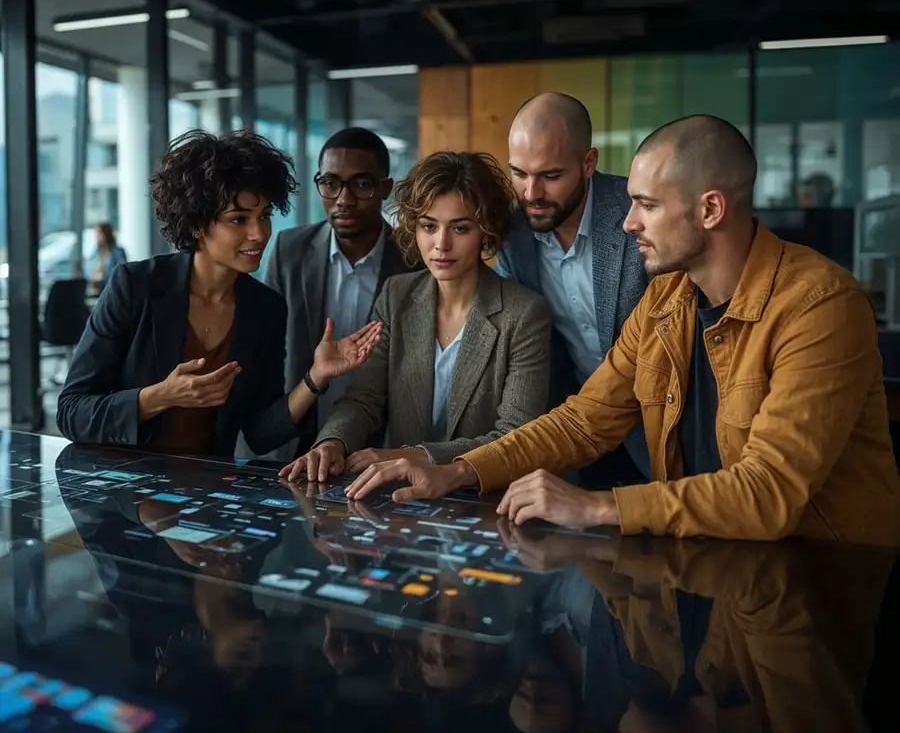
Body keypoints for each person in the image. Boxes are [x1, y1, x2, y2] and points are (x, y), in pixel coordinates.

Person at [346, 115, 900, 547]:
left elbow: (769, 493)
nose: (628, 221)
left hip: (822, 583)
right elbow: (585, 419)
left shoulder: (820, 305)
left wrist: (600, 506)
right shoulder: (667, 297)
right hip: (709, 562)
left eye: (646, 205)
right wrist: (457, 471)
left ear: (709, 209)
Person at [57, 129, 382, 458]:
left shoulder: (265, 307)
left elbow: (260, 433)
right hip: (121, 485)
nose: (259, 234)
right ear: (198, 224)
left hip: (205, 492)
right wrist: (161, 396)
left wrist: (316, 377)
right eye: (238, 219)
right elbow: (72, 411)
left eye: (265, 216)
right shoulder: (135, 285)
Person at [279, 151, 552, 482]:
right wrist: (333, 442)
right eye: (428, 226)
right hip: (399, 502)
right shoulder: (398, 295)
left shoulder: (524, 313)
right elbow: (364, 399)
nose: (441, 244)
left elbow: (515, 437)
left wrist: (415, 456)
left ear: (486, 232)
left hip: (484, 499)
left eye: (461, 228)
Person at [498, 92, 649, 485]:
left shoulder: (639, 213)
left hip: (664, 422)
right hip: (581, 431)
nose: (531, 193)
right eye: (519, 173)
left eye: (550, 176)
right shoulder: (511, 234)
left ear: (588, 163)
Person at [262, 127, 416, 460]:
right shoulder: (289, 250)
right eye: (330, 183)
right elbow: (266, 354)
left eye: (361, 184)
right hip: (294, 442)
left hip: (379, 450)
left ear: (384, 188)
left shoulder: (414, 261)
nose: (343, 200)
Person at [89, 222, 127, 294]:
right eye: (96, 234)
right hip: (98, 290)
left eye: (99, 233)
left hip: (112, 290)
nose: (96, 236)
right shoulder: (96, 252)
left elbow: (120, 272)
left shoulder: (118, 252)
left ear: (106, 234)